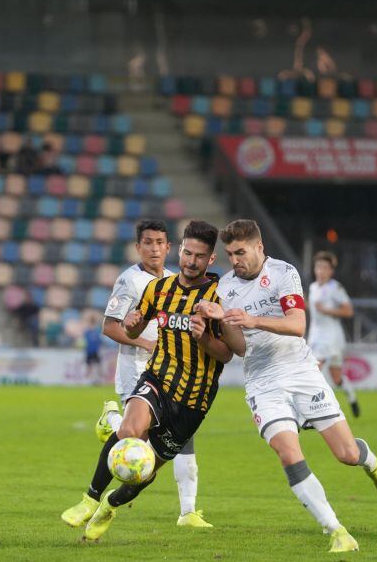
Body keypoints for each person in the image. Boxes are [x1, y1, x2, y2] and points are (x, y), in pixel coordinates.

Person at [195, 220, 377, 552]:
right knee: (287, 452)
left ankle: (369, 460)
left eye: (240, 252)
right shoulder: (225, 287)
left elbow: (297, 325)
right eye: (230, 254)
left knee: (346, 454)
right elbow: (240, 349)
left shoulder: (283, 273)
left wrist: (251, 319)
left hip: (301, 371)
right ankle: (336, 530)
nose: (234, 260)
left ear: (259, 247)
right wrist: (219, 321)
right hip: (262, 382)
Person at [60, 220, 244, 542]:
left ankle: (110, 505)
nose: (190, 261)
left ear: (211, 260)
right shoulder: (157, 289)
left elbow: (228, 355)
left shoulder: (220, 297)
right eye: (187, 252)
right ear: (181, 250)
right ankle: (89, 499)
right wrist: (132, 325)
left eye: (199, 256)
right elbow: (132, 328)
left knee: (145, 469)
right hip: (157, 376)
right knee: (129, 431)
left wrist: (204, 339)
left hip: (193, 399)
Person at [96, 219, 212, 528]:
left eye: (160, 242)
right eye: (148, 242)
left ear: (169, 247)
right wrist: (147, 340)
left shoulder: (177, 280)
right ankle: (113, 424)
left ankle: (188, 512)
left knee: (181, 441)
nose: (155, 248)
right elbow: (109, 326)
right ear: (138, 247)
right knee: (141, 446)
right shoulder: (129, 281)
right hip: (137, 371)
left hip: (172, 375)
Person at [307, 251, 359, 417]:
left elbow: (348, 311)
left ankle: (313, 410)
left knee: (313, 369)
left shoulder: (335, 288)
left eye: (324, 267)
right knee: (336, 378)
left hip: (331, 336)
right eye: (318, 267)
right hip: (315, 334)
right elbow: (315, 310)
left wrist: (327, 310)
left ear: (331, 271)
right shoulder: (313, 287)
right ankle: (352, 399)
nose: (321, 270)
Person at [82, 316, 103, 384]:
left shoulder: (96, 331)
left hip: (95, 351)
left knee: (97, 366)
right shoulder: (88, 331)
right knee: (90, 367)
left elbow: (99, 342)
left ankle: (97, 380)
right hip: (89, 351)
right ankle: (90, 380)